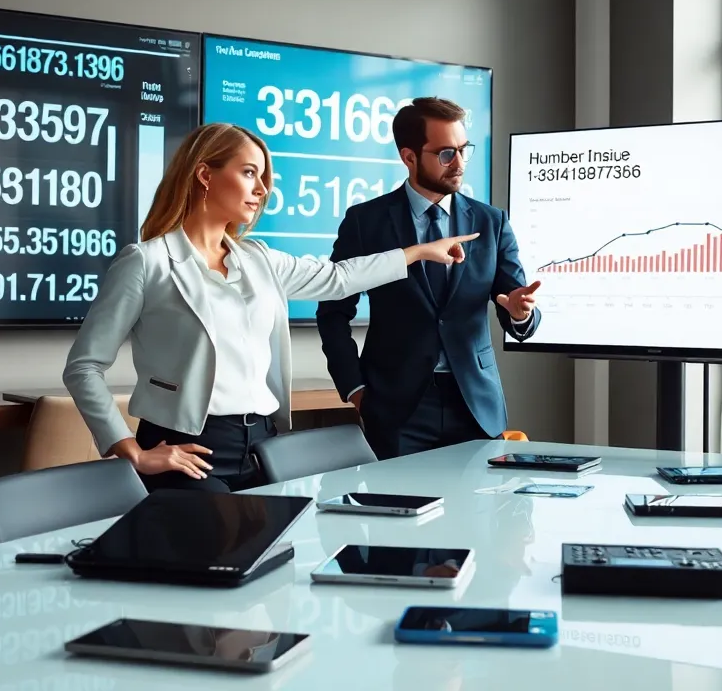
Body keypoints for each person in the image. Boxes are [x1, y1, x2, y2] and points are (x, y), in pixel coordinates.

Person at [63, 122, 478, 492]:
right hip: (187, 448)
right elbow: (83, 367)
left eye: (263, 177)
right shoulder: (146, 262)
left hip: (263, 448)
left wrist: (417, 252)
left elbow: (339, 278)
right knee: (221, 555)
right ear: (205, 174)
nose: (262, 189)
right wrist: (133, 451)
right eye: (249, 173)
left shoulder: (257, 258)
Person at [316, 97, 541, 460]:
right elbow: (332, 311)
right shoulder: (366, 222)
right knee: (397, 512)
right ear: (408, 157)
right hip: (396, 407)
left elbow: (514, 301)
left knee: (479, 516)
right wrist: (354, 387)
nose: (460, 164)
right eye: (446, 154)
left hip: (474, 404)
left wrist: (519, 313)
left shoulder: (491, 222)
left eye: (464, 150)